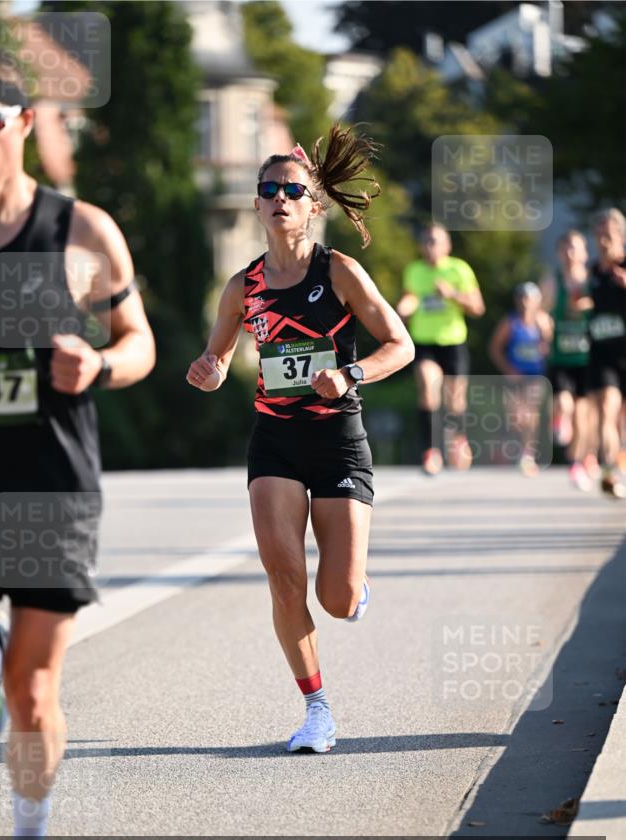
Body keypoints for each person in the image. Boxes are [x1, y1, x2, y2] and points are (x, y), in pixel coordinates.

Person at [0, 49, 156, 840]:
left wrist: (101, 364)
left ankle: (30, 830)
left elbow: (139, 342)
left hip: (50, 489)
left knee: (34, 692)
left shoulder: (79, 232)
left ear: (24, 124)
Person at [186, 125, 414, 753]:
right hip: (276, 442)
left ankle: (354, 585)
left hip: (338, 439)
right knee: (283, 577)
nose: (280, 197)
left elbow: (402, 344)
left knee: (335, 598)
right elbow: (215, 360)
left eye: (292, 188)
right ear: (257, 205)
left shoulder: (339, 272)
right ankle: (316, 709)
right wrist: (205, 373)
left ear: (313, 203)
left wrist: (350, 374)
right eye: (269, 189)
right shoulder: (243, 287)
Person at [396, 224, 485, 475]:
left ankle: (458, 439)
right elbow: (411, 297)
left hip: (453, 341)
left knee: (455, 399)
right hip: (424, 341)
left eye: (435, 241)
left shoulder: (458, 269)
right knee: (427, 387)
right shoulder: (415, 270)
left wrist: (452, 294)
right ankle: (431, 451)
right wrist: (403, 307)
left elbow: (478, 308)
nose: (430, 246)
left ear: (447, 246)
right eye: (426, 241)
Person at [540, 231, 597, 491]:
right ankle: (557, 420)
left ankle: (575, 464)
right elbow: (539, 312)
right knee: (564, 403)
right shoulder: (553, 281)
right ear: (560, 253)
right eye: (566, 249)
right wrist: (545, 329)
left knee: (582, 417)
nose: (571, 254)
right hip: (560, 355)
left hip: (587, 357)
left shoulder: (592, 281)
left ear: (585, 253)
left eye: (576, 248)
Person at [488, 282, 552, 477]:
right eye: (522, 298)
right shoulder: (510, 322)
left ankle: (527, 454)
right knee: (516, 416)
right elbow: (494, 348)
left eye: (530, 298)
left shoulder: (543, 321)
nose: (525, 303)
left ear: (537, 301)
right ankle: (520, 447)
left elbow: (551, 347)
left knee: (530, 414)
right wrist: (508, 369)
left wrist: (546, 340)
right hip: (515, 376)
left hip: (535, 376)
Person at [587, 208, 626, 499]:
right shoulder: (590, 273)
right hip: (602, 353)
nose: (603, 240)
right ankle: (611, 470)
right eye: (599, 234)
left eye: (609, 234)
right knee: (606, 409)